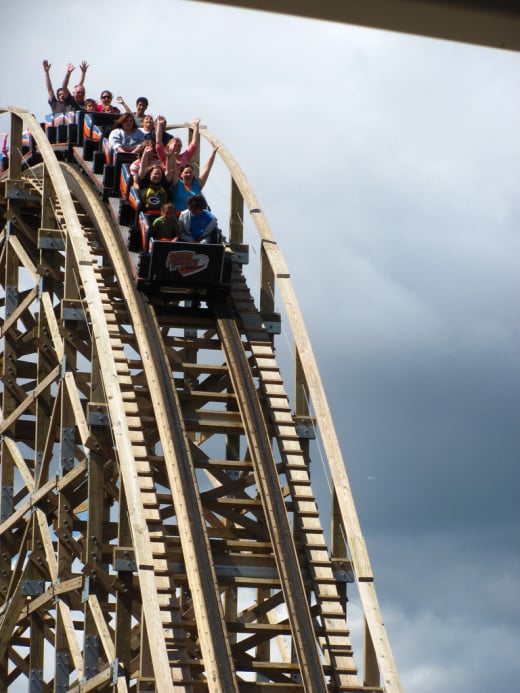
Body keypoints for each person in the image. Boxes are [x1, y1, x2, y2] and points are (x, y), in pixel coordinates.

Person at [173, 143, 218, 213]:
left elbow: (207, 169)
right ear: (181, 174)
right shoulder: (177, 183)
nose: (189, 174)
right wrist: (173, 156)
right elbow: (173, 169)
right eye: (186, 173)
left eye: (191, 173)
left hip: (194, 217)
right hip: (178, 216)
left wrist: (213, 153)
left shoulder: (197, 184)